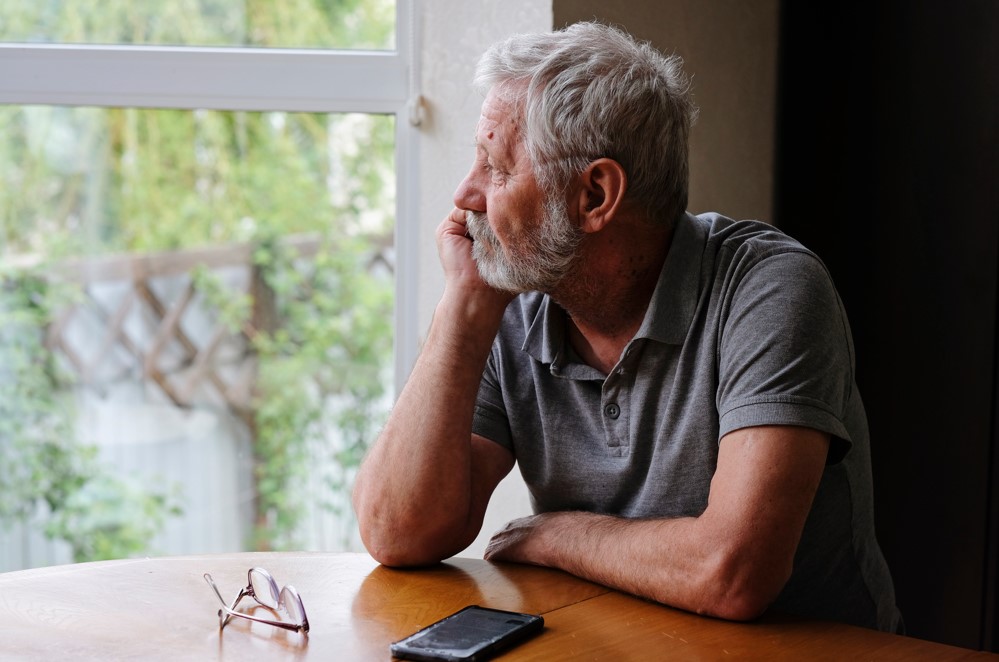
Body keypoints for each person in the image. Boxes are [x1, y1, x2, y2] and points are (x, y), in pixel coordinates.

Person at [352, 21, 902, 632]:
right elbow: (397, 531)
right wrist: (463, 305)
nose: (466, 193)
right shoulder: (516, 298)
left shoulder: (770, 289)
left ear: (595, 195)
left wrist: (553, 534)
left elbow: (733, 572)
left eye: (496, 166)